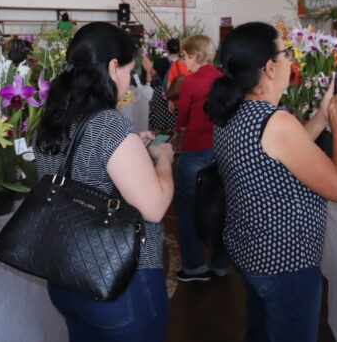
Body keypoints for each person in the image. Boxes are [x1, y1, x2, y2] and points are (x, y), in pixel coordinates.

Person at [206, 22, 337, 342]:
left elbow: (286, 149)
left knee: (260, 332)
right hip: (287, 262)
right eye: (287, 53)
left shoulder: (232, 112)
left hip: (251, 252)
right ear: (270, 67)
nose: (292, 60)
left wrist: (322, 117)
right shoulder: (275, 122)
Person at [34, 22, 174, 341]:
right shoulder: (109, 124)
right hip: (120, 282)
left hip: (67, 278)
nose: (127, 78)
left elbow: (83, 155)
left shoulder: (52, 119)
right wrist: (163, 158)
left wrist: (131, 145)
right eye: (128, 69)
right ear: (113, 67)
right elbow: (154, 207)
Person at [173, 34, 229, 281]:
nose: (183, 60)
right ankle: (221, 262)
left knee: (185, 208)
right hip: (222, 149)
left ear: (195, 55)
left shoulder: (189, 83)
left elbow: (182, 120)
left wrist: (177, 133)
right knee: (223, 205)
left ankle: (195, 266)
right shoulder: (224, 81)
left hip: (195, 149)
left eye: (184, 55)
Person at [148, 38, 180, 132]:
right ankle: (175, 145)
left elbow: (152, 74)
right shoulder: (184, 63)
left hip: (161, 93)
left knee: (160, 123)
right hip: (177, 94)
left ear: (167, 49)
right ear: (179, 49)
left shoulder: (159, 62)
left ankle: (160, 143)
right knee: (176, 123)